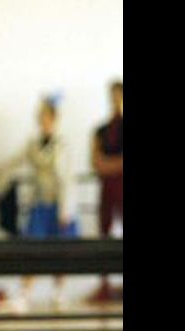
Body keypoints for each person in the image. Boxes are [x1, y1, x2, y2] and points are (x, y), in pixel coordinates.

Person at [0, 98, 77, 311]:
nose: (44, 122)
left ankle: (59, 292)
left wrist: (65, 210)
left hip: (58, 205)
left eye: (47, 117)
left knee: (61, 250)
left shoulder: (63, 144)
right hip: (40, 204)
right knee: (31, 247)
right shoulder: (34, 144)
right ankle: (25, 294)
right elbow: (15, 161)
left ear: (54, 119)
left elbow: (67, 179)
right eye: (41, 118)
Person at [89, 80, 123, 302]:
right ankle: (104, 284)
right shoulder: (101, 130)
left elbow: (103, 162)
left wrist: (108, 165)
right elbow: (95, 161)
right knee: (105, 234)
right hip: (108, 190)